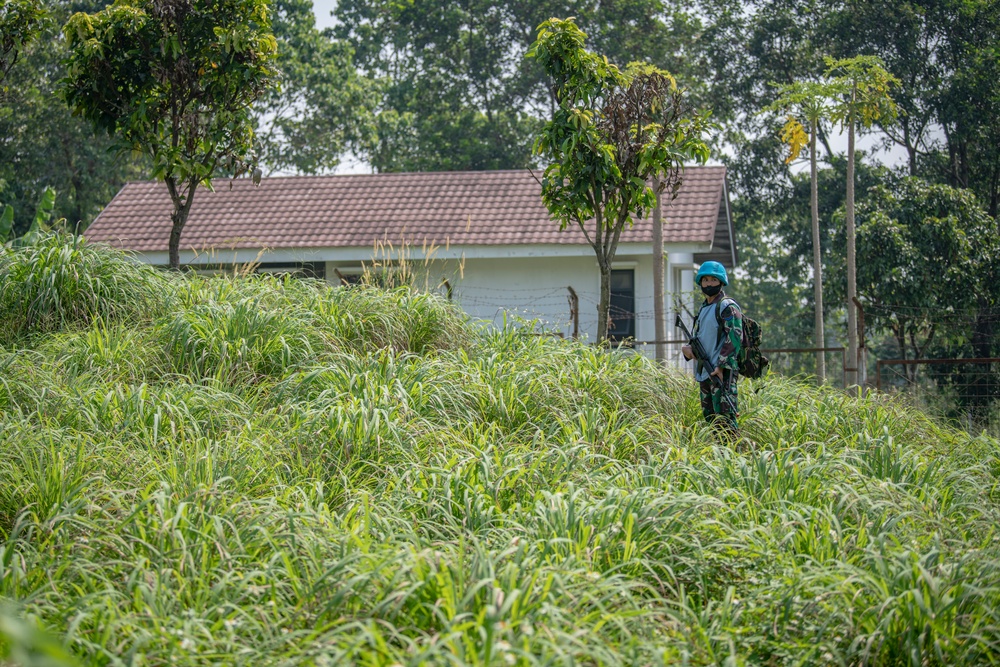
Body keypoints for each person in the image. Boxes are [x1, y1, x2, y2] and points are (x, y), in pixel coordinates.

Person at [681, 261, 743, 435]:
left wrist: (721, 366)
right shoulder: (704, 308)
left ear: (721, 282)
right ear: (700, 282)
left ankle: (734, 451)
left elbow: (735, 337)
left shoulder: (727, 306)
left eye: (713, 280)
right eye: (705, 280)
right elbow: (701, 338)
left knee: (726, 420)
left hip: (721, 373)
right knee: (711, 420)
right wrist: (688, 350)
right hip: (705, 372)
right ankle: (719, 451)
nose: (709, 284)